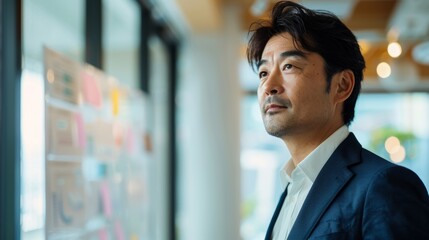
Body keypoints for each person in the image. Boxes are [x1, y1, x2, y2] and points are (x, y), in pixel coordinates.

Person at [246, 1, 429, 239]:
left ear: (341, 86)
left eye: (289, 66)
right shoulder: (291, 189)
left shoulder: (384, 185)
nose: (268, 86)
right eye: (263, 73)